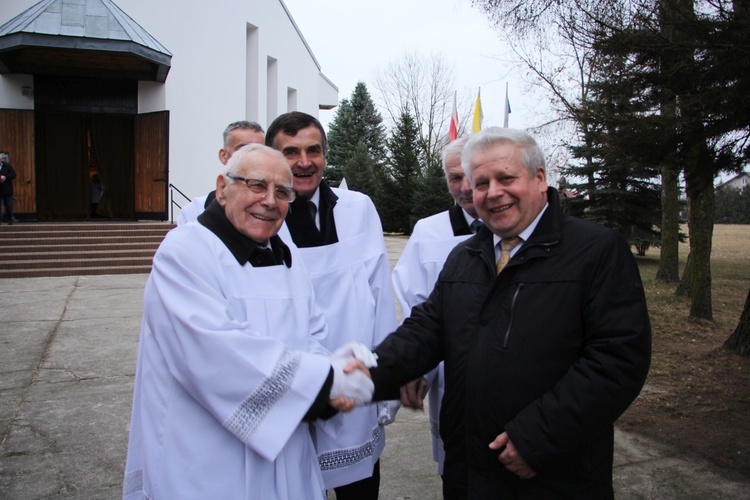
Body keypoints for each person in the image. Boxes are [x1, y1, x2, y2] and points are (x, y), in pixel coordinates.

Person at [370, 127, 652, 498]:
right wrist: (361, 374)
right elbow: (425, 330)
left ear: (539, 178)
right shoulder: (465, 256)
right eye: (481, 183)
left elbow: (618, 360)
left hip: (553, 472)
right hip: (469, 470)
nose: (493, 192)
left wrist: (537, 438)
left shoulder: (596, 251)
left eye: (506, 178)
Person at [123, 144, 376, 499]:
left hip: (286, 450)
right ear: (222, 188)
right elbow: (217, 354)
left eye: (283, 192)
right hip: (207, 458)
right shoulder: (185, 252)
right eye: (257, 185)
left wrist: (336, 368)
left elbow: (312, 333)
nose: (270, 201)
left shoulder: (286, 256)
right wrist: (323, 383)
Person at [266, 112, 398, 499]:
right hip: (293, 382)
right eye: (290, 152)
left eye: (313, 150)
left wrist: (385, 376)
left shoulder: (359, 209)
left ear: (326, 155)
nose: (304, 161)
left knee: (359, 488)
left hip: (356, 377)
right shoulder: (262, 218)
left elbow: (379, 292)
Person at [391, 136, 480, 479]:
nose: (466, 187)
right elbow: (417, 308)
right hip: (450, 370)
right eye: (454, 178)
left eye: (472, 174)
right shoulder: (428, 232)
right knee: (457, 469)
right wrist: (418, 367)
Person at [177, 120, 265, 225]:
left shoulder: (275, 208)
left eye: (259, 150)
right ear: (223, 156)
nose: (252, 157)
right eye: (243, 150)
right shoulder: (194, 211)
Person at [0, 151, 17, 225]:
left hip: (7, 190)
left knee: (8, 206)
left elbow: (13, 174)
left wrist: (5, 177)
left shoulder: (7, 166)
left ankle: (10, 219)